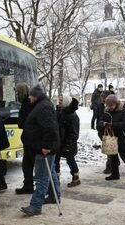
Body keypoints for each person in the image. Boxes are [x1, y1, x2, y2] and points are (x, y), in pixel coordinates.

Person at [20, 85, 61, 216]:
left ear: (36, 96)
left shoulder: (43, 107)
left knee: (41, 178)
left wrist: (46, 147)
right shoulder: (42, 105)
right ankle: (55, 196)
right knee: (51, 172)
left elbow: (50, 129)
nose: (29, 97)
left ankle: (35, 206)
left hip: (43, 149)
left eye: (30, 96)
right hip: (45, 147)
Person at [100, 95, 125, 180]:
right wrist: (102, 124)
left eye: (111, 106)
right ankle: (115, 174)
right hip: (111, 137)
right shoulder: (106, 111)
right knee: (113, 157)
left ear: (116, 104)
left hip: (124, 137)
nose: (110, 107)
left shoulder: (124, 110)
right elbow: (100, 120)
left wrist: (112, 125)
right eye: (108, 106)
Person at [55, 95, 81, 187]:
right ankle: (55, 179)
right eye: (59, 100)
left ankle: (76, 177)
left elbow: (74, 132)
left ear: (66, 102)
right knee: (55, 160)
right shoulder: (58, 112)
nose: (60, 101)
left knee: (70, 160)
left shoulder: (73, 115)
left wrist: (68, 144)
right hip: (58, 142)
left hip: (68, 143)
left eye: (62, 100)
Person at [15, 82, 35, 195]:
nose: (16, 94)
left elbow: (23, 123)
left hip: (30, 139)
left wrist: (21, 121)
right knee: (27, 164)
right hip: (29, 138)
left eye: (17, 92)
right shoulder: (28, 103)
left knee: (29, 164)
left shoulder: (27, 104)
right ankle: (28, 185)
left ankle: (29, 185)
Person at [96, 90, 112, 174]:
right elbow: (98, 117)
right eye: (102, 97)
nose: (103, 99)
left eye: (104, 97)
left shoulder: (112, 106)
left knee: (110, 148)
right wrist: (98, 127)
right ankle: (111, 163)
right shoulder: (100, 105)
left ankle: (109, 165)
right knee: (107, 148)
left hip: (110, 129)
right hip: (102, 129)